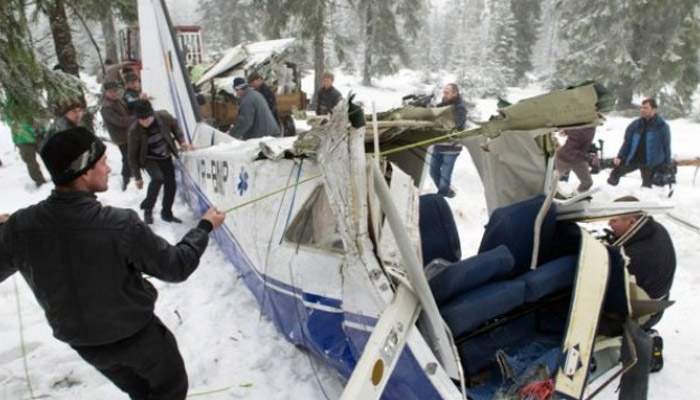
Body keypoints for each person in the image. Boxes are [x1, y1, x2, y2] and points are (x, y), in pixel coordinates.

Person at [0, 127, 226, 400]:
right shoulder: (120, 225)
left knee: (141, 393)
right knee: (170, 391)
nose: (109, 169)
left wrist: (12, 230)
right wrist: (204, 227)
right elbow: (176, 267)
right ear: (83, 172)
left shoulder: (20, 227)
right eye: (103, 163)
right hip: (140, 341)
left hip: (88, 347)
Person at [606, 196, 676, 399]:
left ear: (632, 222)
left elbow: (609, 296)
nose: (609, 223)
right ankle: (649, 338)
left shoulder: (637, 255)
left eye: (614, 220)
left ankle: (641, 347)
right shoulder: (655, 229)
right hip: (657, 301)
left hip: (645, 312)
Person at [128, 100, 192, 224]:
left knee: (171, 184)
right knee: (157, 178)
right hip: (149, 158)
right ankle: (148, 209)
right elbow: (131, 156)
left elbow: (175, 126)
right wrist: (137, 177)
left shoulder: (163, 116)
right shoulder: (134, 130)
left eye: (147, 118)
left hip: (165, 154)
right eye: (141, 119)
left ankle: (166, 213)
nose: (145, 121)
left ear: (152, 113)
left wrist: (182, 141)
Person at [608, 98, 671, 188]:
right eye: (641, 108)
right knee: (614, 175)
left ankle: (646, 198)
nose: (642, 110)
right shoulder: (635, 125)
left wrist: (667, 164)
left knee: (647, 188)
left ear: (653, 109)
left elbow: (666, 146)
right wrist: (620, 156)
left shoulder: (662, 126)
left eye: (645, 108)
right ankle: (608, 194)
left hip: (650, 163)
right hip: (634, 159)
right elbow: (627, 143)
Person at [430, 83, 466, 198]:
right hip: (439, 145)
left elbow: (458, 125)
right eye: (444, 92)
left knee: (445, 175)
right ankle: (445, 191)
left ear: (455, 93)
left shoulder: (460, 108)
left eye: (447, 92)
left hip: (451, 147)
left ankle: (441, 197)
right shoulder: (442, 104)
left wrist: (440, 123)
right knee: (433, 171)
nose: (444, 95)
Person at [1, 99, 47, 187]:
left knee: (49, 156)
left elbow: (41, 117)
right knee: (31, 162)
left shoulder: (28, 99)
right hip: (23, 139)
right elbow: (8, 118)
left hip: (37, 136)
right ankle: (40, 181)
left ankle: (57, 176)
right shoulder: (10, 106)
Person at [101, 81, 135, 191]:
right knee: (127, 158)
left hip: (128, 134)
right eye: (111, 91)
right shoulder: (106, 107)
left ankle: (131, 177)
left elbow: (127, 110)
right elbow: (119, 121)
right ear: (105, 92)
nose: (114, 93)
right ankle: (126, 180)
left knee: (130, 157)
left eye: (115, 91)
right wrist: (136, 118)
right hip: (121, 137)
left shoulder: (117, 100)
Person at [556, 127, 596, 193]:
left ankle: (578, 195)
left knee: (587, 183)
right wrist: (589, 158)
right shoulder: (581, 129)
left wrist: (566, 130)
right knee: (552, 182)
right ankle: (547, 198)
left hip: (579, 159)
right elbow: (571, 150)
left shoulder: (591, 127)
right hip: (565, 158)